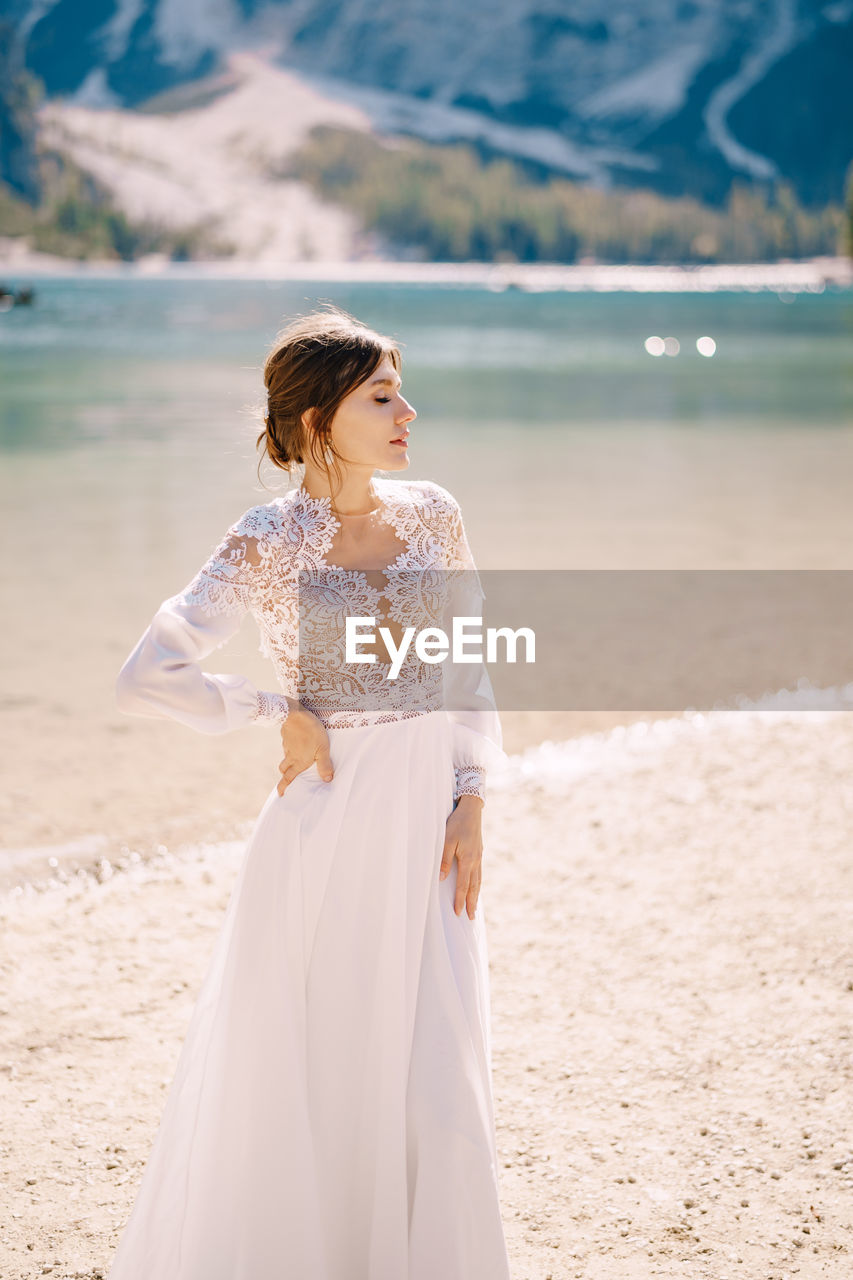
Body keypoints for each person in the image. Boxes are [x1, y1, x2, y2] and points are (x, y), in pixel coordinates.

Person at [107, 305, 512, 1280]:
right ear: (317, 418)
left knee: (437, 1074)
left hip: (426, 826)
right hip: (321, 829)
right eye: (381, 395)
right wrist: (270, 708)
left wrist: (472, 798)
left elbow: (470, 664)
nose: (407, 409)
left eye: (399, 389)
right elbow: (148, 670)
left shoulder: (434, 515)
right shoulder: (265, 538)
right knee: (310, 1073)